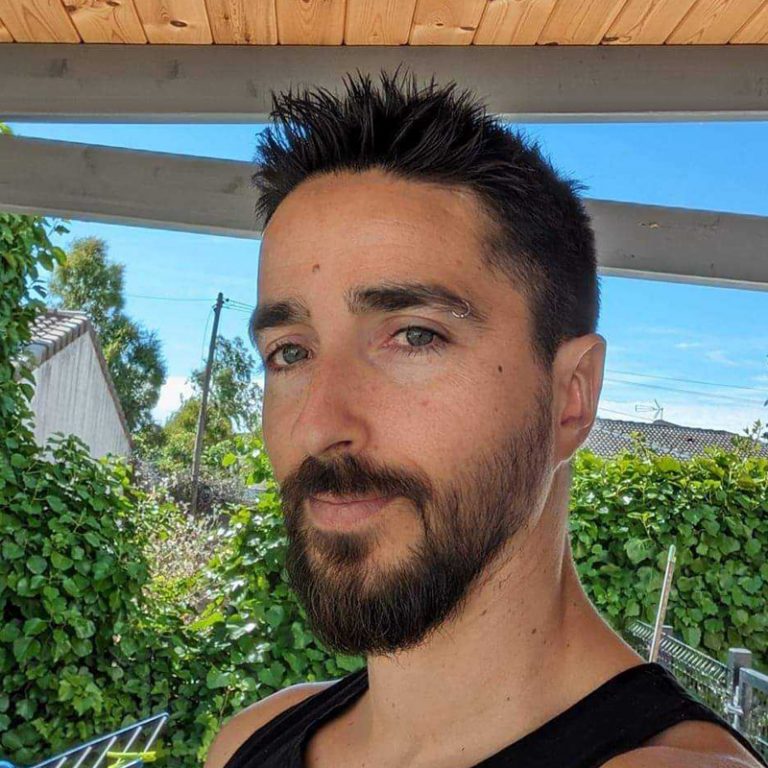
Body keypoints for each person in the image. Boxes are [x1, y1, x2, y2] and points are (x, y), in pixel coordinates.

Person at [205, 70, 766, 768]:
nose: (318, 426)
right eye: (290, 352)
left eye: (415, 336)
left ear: (571, 397)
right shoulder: (245, 743)